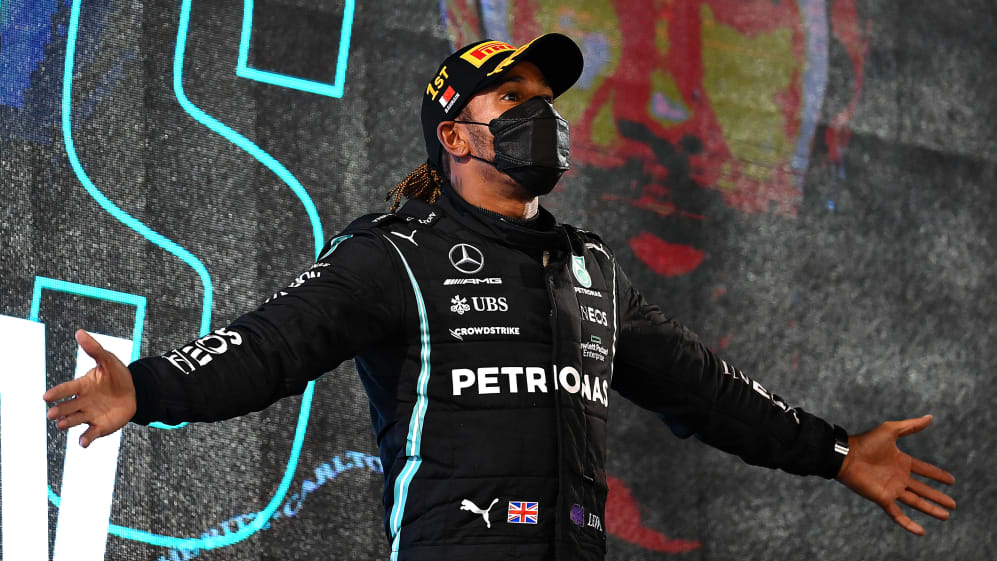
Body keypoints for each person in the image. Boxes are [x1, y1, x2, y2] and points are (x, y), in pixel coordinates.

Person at [43, 33, 955, 561]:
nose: (542, 115)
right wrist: (148, 387)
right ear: (455, 137)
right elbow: (273, 344)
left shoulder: (589, 268)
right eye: (512, 100)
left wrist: (836, 451)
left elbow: (706, 390)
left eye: (545, 100)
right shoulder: (394, 252)